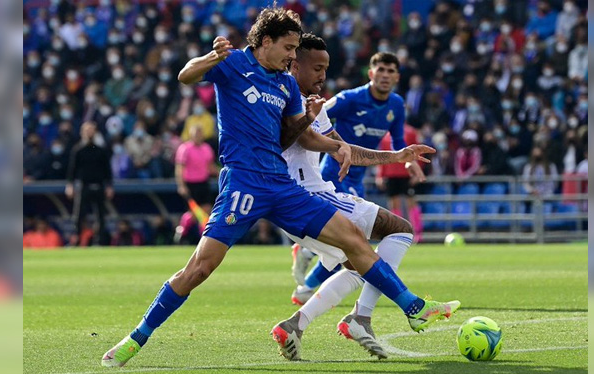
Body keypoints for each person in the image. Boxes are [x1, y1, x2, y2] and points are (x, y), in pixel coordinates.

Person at [101, 8, 458, 368]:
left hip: (282, 185)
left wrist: (319, 129)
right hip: (243, 182)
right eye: (288, 48)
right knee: (199, 268)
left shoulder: (286, 84)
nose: (292, 56)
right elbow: (185, 75)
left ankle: (412, 308)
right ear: (266, 42)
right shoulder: (233, 64)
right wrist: (212, 56)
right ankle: (137, 337)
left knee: (352, 237)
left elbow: (293, 137)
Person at [274, 33, 449, 360]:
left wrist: (398, 156)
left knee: (360, 264)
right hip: (309, 197)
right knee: (399, 229)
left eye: (326, 68)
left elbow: (345, 149)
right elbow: (290, 141)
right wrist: (313, 122)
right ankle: (374, 314)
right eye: (317, 68)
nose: (323, 76)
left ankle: (296, 323)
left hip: (299, 202)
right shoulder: (287, 99)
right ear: (294, 65)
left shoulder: (317, 102)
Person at [293, 52, 427, 301]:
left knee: (353, 240)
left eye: (391, 71)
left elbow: (398, 140)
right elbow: (317, 113)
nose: (385, 75)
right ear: (371, 73)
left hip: (359, 175)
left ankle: (307, 277)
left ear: (397, 77)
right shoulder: (350, 98)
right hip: (334, 173)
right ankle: (309, 276)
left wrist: (408, 162)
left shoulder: (396, 105)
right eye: (381, 70)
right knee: (354, 238)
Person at [65, 121, 113, 246]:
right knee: (78, 216)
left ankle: (100, 241)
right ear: (82, 133)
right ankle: (77, 240)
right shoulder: (78, 150)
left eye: (91, 130)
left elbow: (107, 170)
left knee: (100, 216)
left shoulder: (101, 150)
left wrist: (109, 186)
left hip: (98, 185)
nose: (89, 133)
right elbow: (72, 170)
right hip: (83, 186)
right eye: (87, 130)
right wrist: (70, 185)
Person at [174, 126, 218, 244]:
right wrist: (181, 185)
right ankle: (182, 232)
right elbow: (180, 168)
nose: (198, 136)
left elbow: (210, 167)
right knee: (194, 212)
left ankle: (202, 237)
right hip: (190, 184)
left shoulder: (206, 148)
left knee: (206, 210)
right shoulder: (185, 148)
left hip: (203, 183)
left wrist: (223, 173)